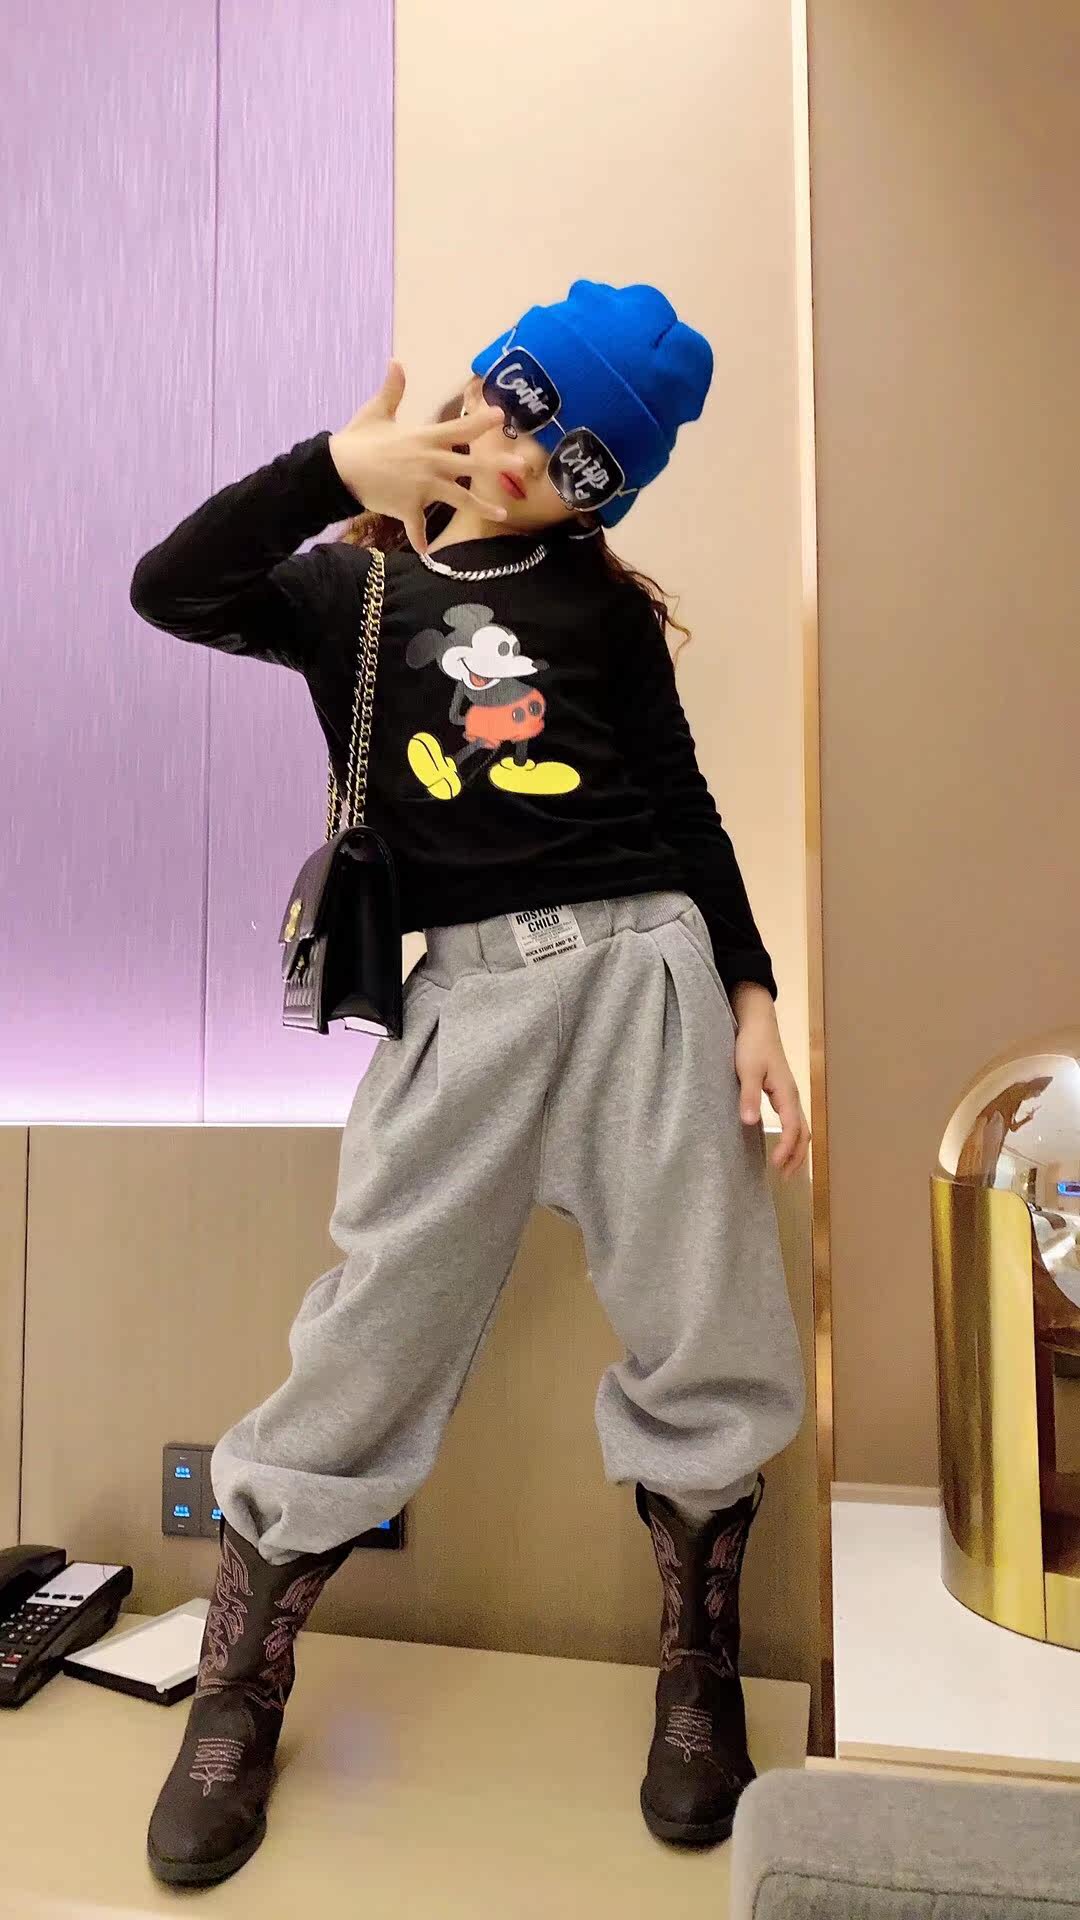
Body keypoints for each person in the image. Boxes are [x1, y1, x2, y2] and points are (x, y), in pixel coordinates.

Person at [130, 279, 809, 1887]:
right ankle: (238, 1685)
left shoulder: (602, 611)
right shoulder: (348, 593)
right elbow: (170, 586)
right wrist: (333, 468)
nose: (524, 454)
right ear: (481, 382)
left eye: (576, 457)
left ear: (601, 495)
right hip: (469, 1002)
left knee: (706, 1320)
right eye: (523, 404)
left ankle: (698, 1673)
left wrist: (752, 994)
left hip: (645, 971)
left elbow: (684, 806)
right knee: (372, 1331)